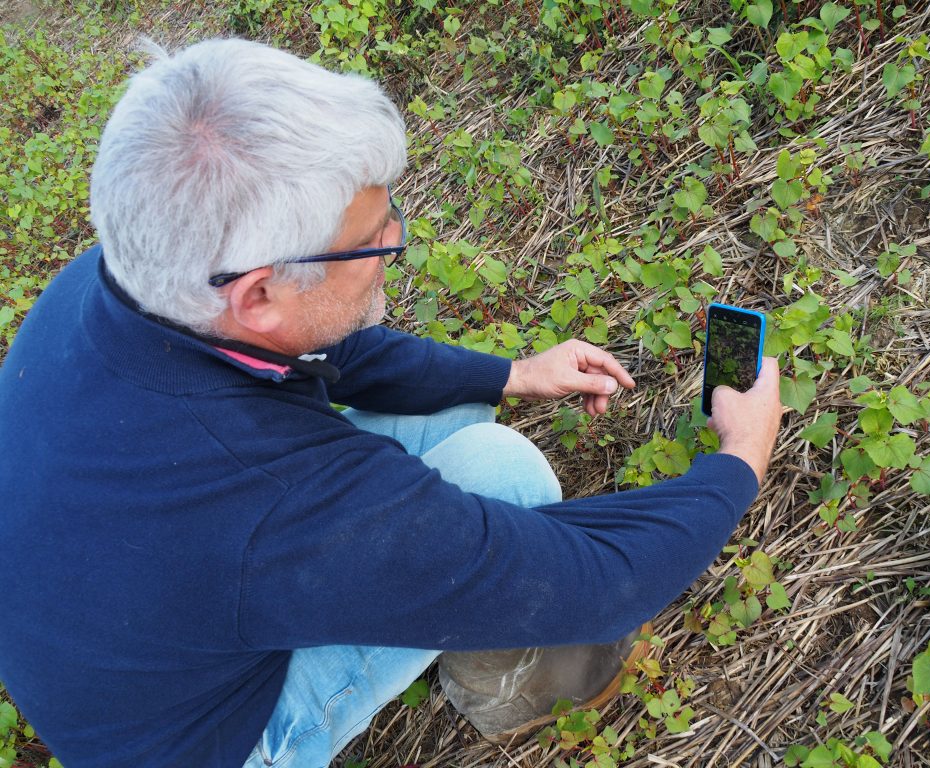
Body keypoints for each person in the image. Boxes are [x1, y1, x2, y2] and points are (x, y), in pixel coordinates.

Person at [0, 38, 782, 768]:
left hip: (113, 639)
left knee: (452, 418)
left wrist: (512, 373)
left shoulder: (133, 275)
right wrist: (740, 459)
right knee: (504, 474)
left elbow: (335, 347)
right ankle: (510, 685)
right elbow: (601, 582)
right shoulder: (275, 500)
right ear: (260, 293)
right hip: (198, 742)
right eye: (375, 239)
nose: (393, 253)